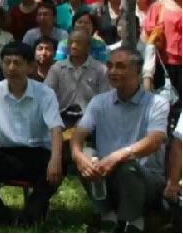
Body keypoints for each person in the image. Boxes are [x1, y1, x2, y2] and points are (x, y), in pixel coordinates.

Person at [0, 41, 65, 227]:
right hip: (7, 154)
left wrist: (55, 160)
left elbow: (55, 128)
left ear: (30, 67)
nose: (11, 68)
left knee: (64, 157)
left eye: (17, 63)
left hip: (37, 155)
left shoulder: (45, 94)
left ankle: (33, 211)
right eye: (7, 62)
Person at [70, 48, 170, 234]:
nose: (113, 71)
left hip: (146, 180)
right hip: (106, 176)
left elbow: (154, 141)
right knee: (86, 157)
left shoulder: (157, 103)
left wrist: (117, 156)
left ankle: (133, 222)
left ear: (137, 71)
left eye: (120, 66)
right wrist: (78, 156)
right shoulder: (99, 102)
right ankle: (107, 216)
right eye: (110, 66)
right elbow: (78, 135)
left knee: (126, 166)